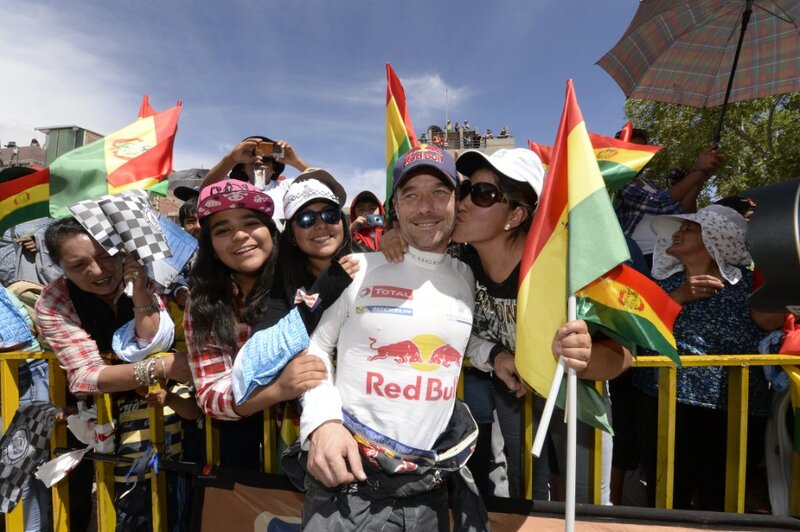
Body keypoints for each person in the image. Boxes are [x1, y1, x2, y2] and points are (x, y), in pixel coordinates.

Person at [291, 145, 624, 530]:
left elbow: (620, 350)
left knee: (582, 507)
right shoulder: (370, 268)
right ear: (395, 206)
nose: (429, 206)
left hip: (451, 473)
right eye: (411, 195)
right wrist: (322, 423)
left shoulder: (501, 271)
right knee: (524, 491)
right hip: (355, 479)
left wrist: (512, 355)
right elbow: (314, 346)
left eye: (443, 192)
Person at [35, 217, 190, 530]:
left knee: (185, 496)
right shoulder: (53, 302)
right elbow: (85, 377)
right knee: (116, 502)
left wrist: (148, 291)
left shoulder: (151, 271)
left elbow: (155, 335)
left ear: (122, 250)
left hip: (174, 408)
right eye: (79, 265)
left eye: (105, 255)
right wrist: (160, 367)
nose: (97, 270)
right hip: (99, 416)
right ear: (61, 268)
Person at [632, 205, 784, 510]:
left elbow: (772, 322)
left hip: (734, 410)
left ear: (716, 238)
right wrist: (678, 297)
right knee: (667, 501)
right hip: (665, 407)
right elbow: (636, 331)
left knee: (722, 501)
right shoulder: (659, 286)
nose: (678, 232)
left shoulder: (749, 285)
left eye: (689, 228)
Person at [614, 128, 725, 269]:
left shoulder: (650, 184)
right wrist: (698, 170)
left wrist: (702, 176)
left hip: (667, 254)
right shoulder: (616, 182)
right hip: (637, 257)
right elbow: (657, 204)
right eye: (633, 149)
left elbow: (681, 211)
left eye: (643, 150)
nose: (639, 155)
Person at [201, 135, 310, 223]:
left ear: (274, 168)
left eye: (266, 159)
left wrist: (296, 161)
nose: (259, 161)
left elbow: (320, 183)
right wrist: (231, 159)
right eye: (252, 158)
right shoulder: (234, 191)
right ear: (242, 168)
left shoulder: (288, 186)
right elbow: (204, 193)